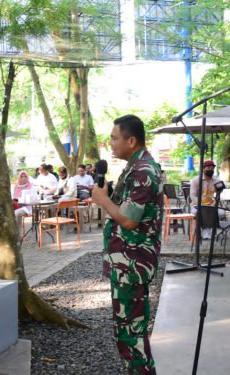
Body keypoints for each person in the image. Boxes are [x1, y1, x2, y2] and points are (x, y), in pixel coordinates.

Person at [91, 114, 162, 375]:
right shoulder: (134, 166)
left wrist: (103, 199)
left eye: (114, 137)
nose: (110, 142)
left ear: (131, 140)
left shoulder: (143, 170)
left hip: (133, 262)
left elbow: (129, 220)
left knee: (132, 331)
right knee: (126, 329)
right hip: (126, 262)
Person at [189, 159, 224, 239]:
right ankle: (206, 230)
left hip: (212, 205)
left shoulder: (217, 181)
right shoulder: (196, 181)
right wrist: (201, 204)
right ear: (203, 169)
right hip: (197, 205)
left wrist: (214, 203)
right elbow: (192, 196)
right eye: (208, 168)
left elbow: (218, 195)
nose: (210, 170)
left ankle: (208, 230)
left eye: (212, 168)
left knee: (221, 213)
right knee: (203, 211)